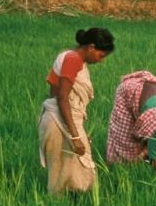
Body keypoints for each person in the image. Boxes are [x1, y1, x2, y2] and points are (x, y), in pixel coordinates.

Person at [38, 28, 114, 195]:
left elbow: (54, 92)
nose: (101, 61)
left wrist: (76, 127)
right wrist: (76, 135)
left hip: (59, 120)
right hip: (59, 121)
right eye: (101, 56)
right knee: (73, 174)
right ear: (91, 47)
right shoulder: (73, 59)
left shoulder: (69, 57)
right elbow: (62, 97)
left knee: (69, 174)